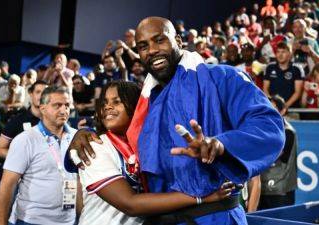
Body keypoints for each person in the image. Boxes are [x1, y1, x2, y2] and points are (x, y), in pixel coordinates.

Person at [69, 17, 285, 224]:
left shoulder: (221, 77)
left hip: (215, 217)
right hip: (159, 219)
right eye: (143, 46)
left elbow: (268, 125)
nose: (152, 50)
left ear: (178, 40)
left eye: (160, 40)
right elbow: (119, 120)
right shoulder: (144, 100)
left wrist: (221, 145)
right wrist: (85, 132)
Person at [67, 81, 234, 225]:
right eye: (104, 103)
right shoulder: (94, 146)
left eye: (117, 101)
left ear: (135, 107)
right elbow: (130, 204)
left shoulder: (149, 144)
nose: (107, 107)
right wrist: (201, 198)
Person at [0, 86, 77, 225]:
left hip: (69, 221)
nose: (64, 110)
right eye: (57, 105)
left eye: (67, 105)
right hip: (31, 221)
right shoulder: (25, 140)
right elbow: (7, 186)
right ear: (43, 108)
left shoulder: (76, 137)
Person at [259, 95, 297, 210]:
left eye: (274, 108)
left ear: (283, 111)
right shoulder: (264, 129)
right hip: (263, 188)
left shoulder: (288, 132)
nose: (269, 111)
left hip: (279, 190)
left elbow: (273, 155)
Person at [0, 80, 47, 158]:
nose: (41, 96)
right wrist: (22, 158)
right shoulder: (18, 120)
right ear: (31, 94)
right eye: (38, 92)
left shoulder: (54, 121)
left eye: (45, 93)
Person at [263, 42, 305, 108]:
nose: (280, 55)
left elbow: (298, 93)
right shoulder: (269, 67)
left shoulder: (297, 69)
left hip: (291, 110)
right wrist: (272, 104)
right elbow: (265, 89)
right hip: (273, 109)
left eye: (283, 52)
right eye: (278, 52)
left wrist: (284, 107)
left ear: (290, 53)